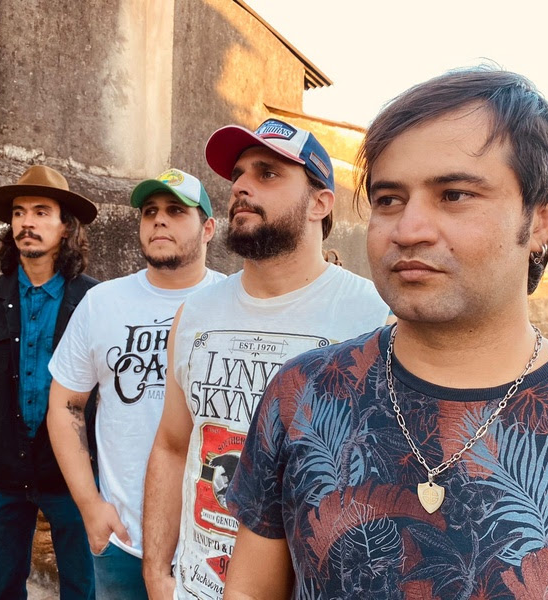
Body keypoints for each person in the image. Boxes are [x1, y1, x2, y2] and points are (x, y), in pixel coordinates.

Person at [224, 67, 548, 599]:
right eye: (389, 199)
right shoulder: (301, 394)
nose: (409, 229)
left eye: (454, 195)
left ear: (543, 220)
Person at [141, 119, 390, 600]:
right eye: (238, 175)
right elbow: (172, 446)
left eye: (268, 173)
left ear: (320, 203)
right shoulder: (195, 314)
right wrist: (156, 573)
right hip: (197, 588)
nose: (240, 186)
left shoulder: (374, 317)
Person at [46, 168, 224, 599]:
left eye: (176, 211)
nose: (158, 219)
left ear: (208, 229)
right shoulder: (102, 303)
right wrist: (90, 506)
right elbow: (65, 405)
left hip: (214, 541)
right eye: (149, 211)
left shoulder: (234, 303)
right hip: (122, 538)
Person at [0, 165, 98, 600]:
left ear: (66, 227)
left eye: (40, 211)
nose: (26, 222)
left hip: (72, 476)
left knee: (83, 589)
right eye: (18, 212)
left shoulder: (94, 300)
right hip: (1, 474)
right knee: (1, 591)